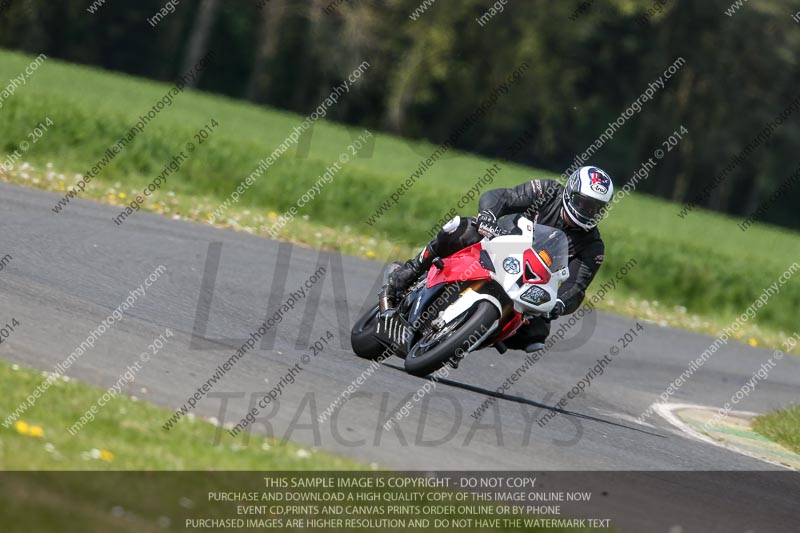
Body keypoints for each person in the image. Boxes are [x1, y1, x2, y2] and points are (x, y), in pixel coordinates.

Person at [386, 165, 614, 352]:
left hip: (530, 281)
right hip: (500, 243)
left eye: (595, 208)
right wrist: (488, 215)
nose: (587, 211)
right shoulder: (548, 191)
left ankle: (471, 335)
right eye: (583, 203)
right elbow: (503, 196)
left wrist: (560, 304)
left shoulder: (593, 246)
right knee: (460, 229)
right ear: (570, 191)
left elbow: (577, 286)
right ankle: (411, 271)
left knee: (535, 336)